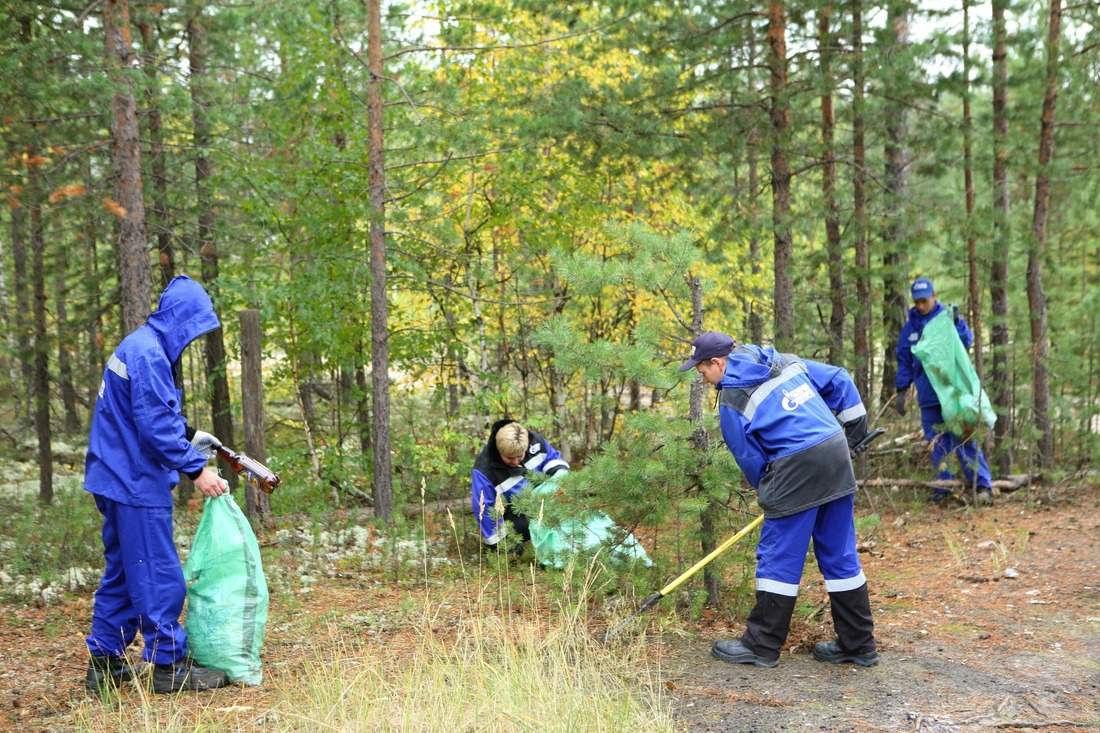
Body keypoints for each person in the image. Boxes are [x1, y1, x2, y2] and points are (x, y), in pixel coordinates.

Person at [678, 331, 877, 668]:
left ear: (718, 362)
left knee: (778, 556)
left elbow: (750, 459)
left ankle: (761, 645)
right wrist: (855, 430)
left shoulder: (732, 400)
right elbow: (840, 379)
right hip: (835, 452)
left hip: (795, 466)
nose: (703, 379)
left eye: (702, 371)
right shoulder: (782, 361)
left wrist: (770, 492)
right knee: (840, 553)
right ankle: (858, 644)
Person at [84, 275, 231, 694]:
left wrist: (188, 433)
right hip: (133, 481)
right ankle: (169, 666)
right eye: (195, 326)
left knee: (124, 572)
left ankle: (105, 665)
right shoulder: (148, 353)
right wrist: (196, 469)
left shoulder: (140, 345)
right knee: (156, 573)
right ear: (181, 320)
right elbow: (153, 426)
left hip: (114, 477)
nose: (195, 337)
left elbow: (149, 415)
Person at [894, 277, 993, 505]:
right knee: (937, 443)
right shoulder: (909, 329)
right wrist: (901, 390)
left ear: (934, 296)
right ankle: (945, 489)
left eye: (924, 300)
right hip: (928, 396)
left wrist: (957, 322)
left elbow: (966, 341)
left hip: (952, 394)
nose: (920, 305)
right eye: (916, 302)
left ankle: (982, 486)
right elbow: (904, 361)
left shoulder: (947, 318)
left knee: (964, 438)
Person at [471, 419, 570, 552]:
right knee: (523, 527)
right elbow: (485, 510)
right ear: (500, 451)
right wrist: (500, 543)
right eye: (509, 458)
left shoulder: (535, 442)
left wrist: (559, 475)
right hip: (515, 511)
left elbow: (552, 459)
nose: (516, 461)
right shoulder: (484, 471)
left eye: (519, 456)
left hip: (545, 500)